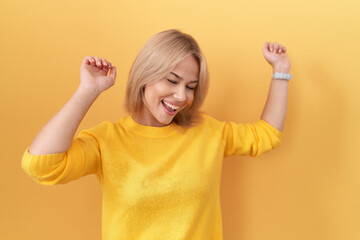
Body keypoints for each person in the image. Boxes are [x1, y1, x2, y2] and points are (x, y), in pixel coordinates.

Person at [22, 29, 291, 240]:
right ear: (145, 76)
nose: (182, 96)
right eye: (172, 81)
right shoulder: (108, 140)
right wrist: (88, 89)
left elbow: (266, 135)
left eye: (191, 86)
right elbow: (42, 166)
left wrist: (281, 70)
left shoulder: (207, 132)